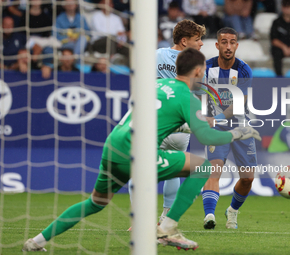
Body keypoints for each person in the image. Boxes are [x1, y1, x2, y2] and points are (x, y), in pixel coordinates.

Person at [22, 48, 261, 252]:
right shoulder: (185, 96)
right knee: (202, 167)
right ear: (198, 71)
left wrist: (196, 123)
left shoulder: (158, 85)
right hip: (136, 152)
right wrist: (238, 133)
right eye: (203, 73)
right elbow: (208, 137)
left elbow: (161, 117)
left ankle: (35, 241)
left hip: (114, 144)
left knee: (96, 202)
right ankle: (168, 228)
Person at [128, 19, 206, 230]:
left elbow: (141, 81)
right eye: (197, 40)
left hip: (157, 122)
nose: (201, 44)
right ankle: (166, 219)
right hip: (180, 125)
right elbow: (199, 95)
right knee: (174, 169)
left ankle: (138, 220)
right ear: (184, 41)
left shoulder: (156, 55)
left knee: (140, 170)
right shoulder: (197, 64)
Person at [199, 27, 256, 230]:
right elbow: (194, 93)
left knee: (248, 178)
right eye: (224, 42)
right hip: (216, 129)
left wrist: (217, 117)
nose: (228, 46)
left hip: (240, 126)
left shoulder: (243, 70)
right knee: (214, 170)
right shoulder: (205, 68)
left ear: (237, 45)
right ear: (217, 45)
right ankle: (209, 216)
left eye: (232, 42)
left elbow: (238, 103)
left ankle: (232, 211)